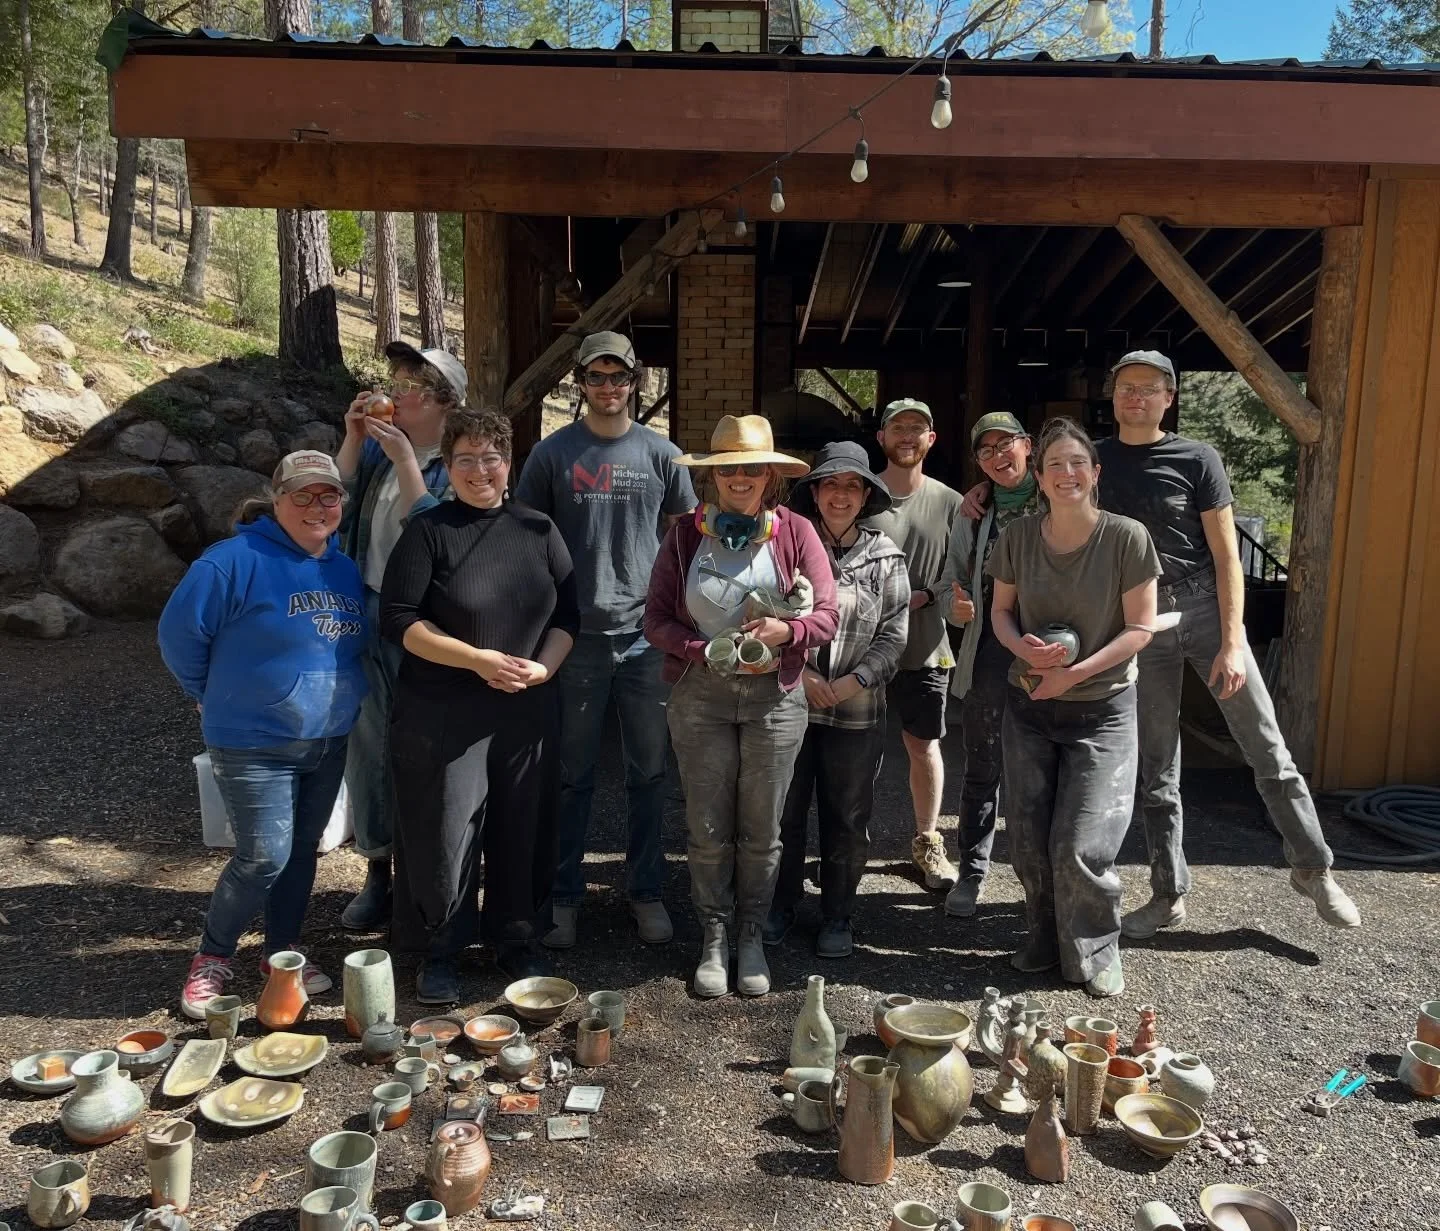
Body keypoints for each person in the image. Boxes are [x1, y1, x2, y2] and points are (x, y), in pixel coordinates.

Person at [1094, 350, 1361, 937]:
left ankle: (1314, 869)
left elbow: (1226, 558)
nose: (1135, 396)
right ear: (1113, 396)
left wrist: (1233, 642)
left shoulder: (1197, 457)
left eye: (1149, 388)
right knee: (1157, 770)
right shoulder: (1094, 461)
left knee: (1267, 747)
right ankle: (1168, 894)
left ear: (1169, 398)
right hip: (1139, 622)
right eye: (1125, 387)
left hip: (1207, 611)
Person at [380, 408, 579, 1005]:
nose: (479, 470)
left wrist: (545, 666)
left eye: (491, 457)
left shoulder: (540, 530)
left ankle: (515, 937)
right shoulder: (429, 530)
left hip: (526, 708)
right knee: (446, 828)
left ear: (508, 462)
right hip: (444, 709)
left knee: (524, 824)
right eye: (464, 458)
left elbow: (570, 617)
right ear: (448, 464)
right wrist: (476, 660)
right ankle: (443, 946)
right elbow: (398, 621)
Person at [160, 452, 369, 1019]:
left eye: (328, 495)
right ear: (276, 499)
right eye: (301, 494)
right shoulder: (230, 562)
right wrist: (210, 691)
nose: (316, 506)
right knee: (263, 856)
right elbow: (179, 637)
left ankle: (282, 951)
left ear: (342, 504)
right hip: (252, 740)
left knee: (302, 849)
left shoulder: (342, 569)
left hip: (326, 737)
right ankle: (212, 956)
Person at [644, 415, 838, 998]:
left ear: (770, 475)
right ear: (713, 476)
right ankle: (713, 935)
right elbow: (654, 618)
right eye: (729, 468)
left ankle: (751, 934)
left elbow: (826, 614)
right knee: (707, 827)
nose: (741, 477)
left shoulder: (797, 531)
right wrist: (699, 649)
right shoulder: (683, 536)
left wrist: (787, 632)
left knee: (761, 829)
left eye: (752, 467)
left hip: (773, 699)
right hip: (699, 695)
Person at [514, 331, 696, 952]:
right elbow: (525, 536)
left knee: (649, 773)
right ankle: (563, 897)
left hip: (648, 637)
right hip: (575, 638)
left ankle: (645, 891)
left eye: (619, 377)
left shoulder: (663, 454)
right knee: (570, 775)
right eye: (597, 377)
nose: (609, 387)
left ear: (634, 382)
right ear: (580, 383)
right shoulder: (551, 455)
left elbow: (685, 537)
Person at [989, 418, 1161, 998]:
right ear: (1037, 477)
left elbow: (1140, 628)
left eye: (1077, 463)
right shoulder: (1016, 536)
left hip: (1103, 708)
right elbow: (1000, 615)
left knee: (1081, 843)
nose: (1067, 474)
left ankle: (1094, 947)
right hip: (1030, 706)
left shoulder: (1127, 538)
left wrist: (1075, 674)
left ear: (1096, 473)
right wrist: (1022, 650)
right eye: (1055, 465)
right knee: (1030, 839)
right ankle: (1042, 931)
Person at [334, 342, 464, 932]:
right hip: (368, 605)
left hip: (426, 622)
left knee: (425, 746)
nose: (393, 393)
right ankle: (376, 870)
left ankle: (425, 878)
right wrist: (354, 436)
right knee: (369, 744)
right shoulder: (384, 455)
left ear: (441, 401)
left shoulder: (459, 462)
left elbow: (438, 531)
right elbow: (329, 500)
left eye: (407, 386)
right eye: (394, 382)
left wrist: (404, 458)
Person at [766, 441, 909, 958]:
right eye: (831, 485)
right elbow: (766, 613)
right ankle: (777, 907)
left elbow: (895, 636)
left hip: (857, 710)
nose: (841, 495)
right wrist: (802, 674)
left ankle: (838, 916)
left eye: (852, 486)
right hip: (790, 703)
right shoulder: (789, 547)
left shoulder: (887, 556)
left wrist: (854, 682)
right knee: (784, 813)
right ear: (816, 492)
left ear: (867, 495)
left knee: (848, 817)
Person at [941, 411, 1042, 919]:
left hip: (1051, 655)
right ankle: (972, 873)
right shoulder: (974, 513)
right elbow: (948, 583)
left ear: (1028, 446)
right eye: (987, 451)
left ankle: (1039, 883)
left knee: (1042, 773)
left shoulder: (1059, 497)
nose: (999, 457)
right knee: (982, 769)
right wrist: (954, 609)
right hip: (987, 655)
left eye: (1008, 445)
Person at [865, 398, 965, 891]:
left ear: (931, 440)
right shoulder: (858, 493)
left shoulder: (952, 502)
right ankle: (848, 841)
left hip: (924, 646)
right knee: (853, 746)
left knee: (923, 745)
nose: (907, 435)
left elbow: (960, 573)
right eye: (897, 427)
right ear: (881, 438)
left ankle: (928, 838)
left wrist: (928, 594)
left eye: (917, 429)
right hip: (858, 648)